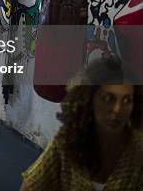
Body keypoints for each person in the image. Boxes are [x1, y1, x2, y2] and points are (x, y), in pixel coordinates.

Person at [20, 57, 143, 190]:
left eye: (126, 100)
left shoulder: (138, 152)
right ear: (90, 99)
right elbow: (30, 186)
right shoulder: (67, 144)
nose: (117, 109)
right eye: (108, 99)